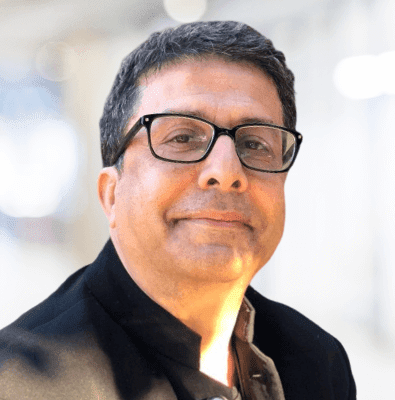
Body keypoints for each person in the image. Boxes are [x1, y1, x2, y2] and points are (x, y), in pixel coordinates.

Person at [0, 21, 356, 400]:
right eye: (182, 138)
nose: (227, 172)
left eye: (254, 144)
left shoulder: (318, 361)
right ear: (112, 195)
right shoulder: (22, 383)